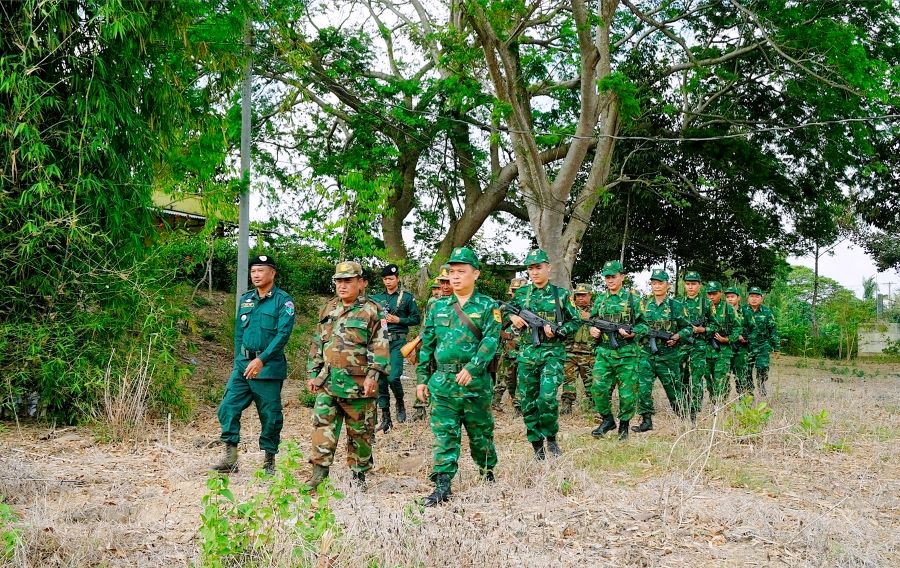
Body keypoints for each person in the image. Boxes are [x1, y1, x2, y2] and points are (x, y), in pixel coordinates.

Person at [416, 247, 500, 506]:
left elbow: (491, 339)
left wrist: (473, 367)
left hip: (475, 382)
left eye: (461, 272)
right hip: (442, 382)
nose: (455, 277)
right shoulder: (438, 306)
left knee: (480, 433)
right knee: (444, 434)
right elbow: (427, 343)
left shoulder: (488, 306)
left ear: (475, 274)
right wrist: (421, 378)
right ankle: (443, 483)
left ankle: (487, 472)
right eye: (452, 272)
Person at [305, 261, 389, 490]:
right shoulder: (329, 308)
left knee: (360, 433)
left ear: (361, 283)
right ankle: (319, 475)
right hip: (329, 381)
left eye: (348, 281)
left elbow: (380, 346)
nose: (342, 286)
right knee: (322, 427)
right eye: (338, 281)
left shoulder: (373, 310)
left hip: (359, 385)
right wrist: (312, 372)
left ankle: (358, 477)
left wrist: (373, 375)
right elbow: (317, 342)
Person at [211, 254, 296, 475]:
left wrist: (261, 359)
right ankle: (231, 458)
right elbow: (239, 333)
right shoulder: (246, 299)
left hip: (268, 368)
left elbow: (282, 335)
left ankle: (269, 460)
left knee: (270, 416)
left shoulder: (283, 301)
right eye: (253, 271)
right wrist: (239, 359)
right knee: (227, 407)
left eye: (261, 270)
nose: (256, 275)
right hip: (243, 365)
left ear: (272, 273)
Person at [508, 249, 581, 459]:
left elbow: (575, 320)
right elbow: (501, 309)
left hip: (552, 354)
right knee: (528, 402)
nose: (534, 272)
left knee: (547, 398)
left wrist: (560, 331)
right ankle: (536, 445)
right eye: (530, 269)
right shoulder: (522, 294)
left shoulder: (562, 295)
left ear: (549, 268)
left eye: (538, 267)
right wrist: (513, 317)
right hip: (527, 355)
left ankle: (551, 438)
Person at [589, 260, 647, 440]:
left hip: (627, 354)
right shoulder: (600, 299)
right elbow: (592, 320)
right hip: (604, 353)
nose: (610, 280)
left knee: (627, 394)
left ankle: (624, 426)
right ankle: (607, 420)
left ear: (622, 277)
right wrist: (593, 330)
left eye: (613, 276)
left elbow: (645, 326)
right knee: (597, 389)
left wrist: (632, 333)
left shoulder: (634, 299)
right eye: (607, 277)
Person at [633, 269, 692, 432]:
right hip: (646, 354)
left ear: (668, 285)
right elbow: (635, 324)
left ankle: (684, 420)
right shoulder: (643, 304)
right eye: (654, 283)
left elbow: (688, 328)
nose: (657, 286)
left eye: (660, 283)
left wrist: (678, 336)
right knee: (643, 388)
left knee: (674, 390)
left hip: (668, 355)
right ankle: (646, 421)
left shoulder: (676, 305)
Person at [371, 264, 421, 432]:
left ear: (397, 279)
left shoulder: (406, 298)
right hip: (380, 342)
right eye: (385, 279)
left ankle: (399, 402)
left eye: (391, 278)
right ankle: (386, 417)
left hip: (398, 342)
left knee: (393, 377)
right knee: (382, 380)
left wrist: (399, 320)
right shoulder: (376, 298)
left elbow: (416, 318)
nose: (388, 282)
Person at [412, 265, 452, 422]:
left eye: (448, 282)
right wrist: (420, 342)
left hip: (450, 351)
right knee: (425, 371)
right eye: (443, 282)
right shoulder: (434, 303)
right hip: (433, 345)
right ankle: (420, 407)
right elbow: (426, 326)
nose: (445, 286)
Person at [678, 271, 713, 421]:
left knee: (697, 377)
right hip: (681, 345)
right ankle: (682, 405)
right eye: (688, 284)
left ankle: (694, 409)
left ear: (699, 285)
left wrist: (704, 329)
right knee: (681, 377)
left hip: (699, 345)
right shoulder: (677, 303)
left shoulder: (706, 304)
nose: (690, 287)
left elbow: (715, 325)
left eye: (693, 284)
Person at [492, 277, 526, 414]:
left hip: (525, 349)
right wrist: (505, 336)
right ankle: (495, 403)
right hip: (507, 349)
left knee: (523, 379)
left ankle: (518, 407)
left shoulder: (531, 307)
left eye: (520, 291)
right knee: (504, 378)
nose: (517, 294)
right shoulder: (502, 308)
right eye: (514, 291)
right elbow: (494, 326)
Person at [560, 283, 596, 415]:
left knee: (590, 381)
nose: (580, 298)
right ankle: (566, 405)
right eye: (578, 295)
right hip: (570, 351)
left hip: (589, 353)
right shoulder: (569, 310)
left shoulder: (596, 310)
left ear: (590, 295)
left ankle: (593, 407)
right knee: (568, 381)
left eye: (583, 295)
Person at [704, 281, 740, 406]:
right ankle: (714, 400)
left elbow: (737, 327)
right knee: (708, 379)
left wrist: (728, 339)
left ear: (720, 293)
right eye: (709, 294)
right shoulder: (704, 307)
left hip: (723, 351)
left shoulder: (727, 308)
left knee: (720, 379)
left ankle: (720, 404)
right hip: (706, 350)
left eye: (714, 294)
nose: (711, 297)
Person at [745, 287, 779, 396]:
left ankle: (761, 383)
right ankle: (749, 390)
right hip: (746, 346)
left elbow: (773, 330)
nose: (754, 299)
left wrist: (776, 348)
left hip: (762, 345)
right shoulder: (742, 310)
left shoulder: (767, 312)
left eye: (757, 296)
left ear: (761, 298)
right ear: (748, 298)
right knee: (746, 370)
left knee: (763, 367)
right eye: (752, 296)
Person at [726, 287, 753, 396]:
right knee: (723, 377)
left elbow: (755, 330)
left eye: (732, 297)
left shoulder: (746, 312)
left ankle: (745, 402)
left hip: (741, 350)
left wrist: (746, 338)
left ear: (739, 298)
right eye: (727, 297)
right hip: (725, 348)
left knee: (741, 376)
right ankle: (722, 402)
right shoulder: (722, 312)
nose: (730, 299)